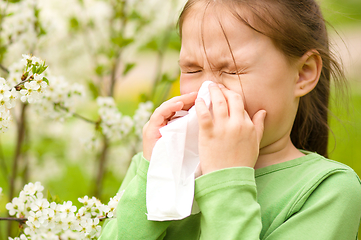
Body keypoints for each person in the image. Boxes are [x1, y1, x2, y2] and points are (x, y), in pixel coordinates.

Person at [100, 0, 361, 239]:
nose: (208, 91)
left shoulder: (328, 190)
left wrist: (227, 179)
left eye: (233, 69)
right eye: (192, 69)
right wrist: (154, 176)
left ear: (303, 73)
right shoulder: (159, 165)